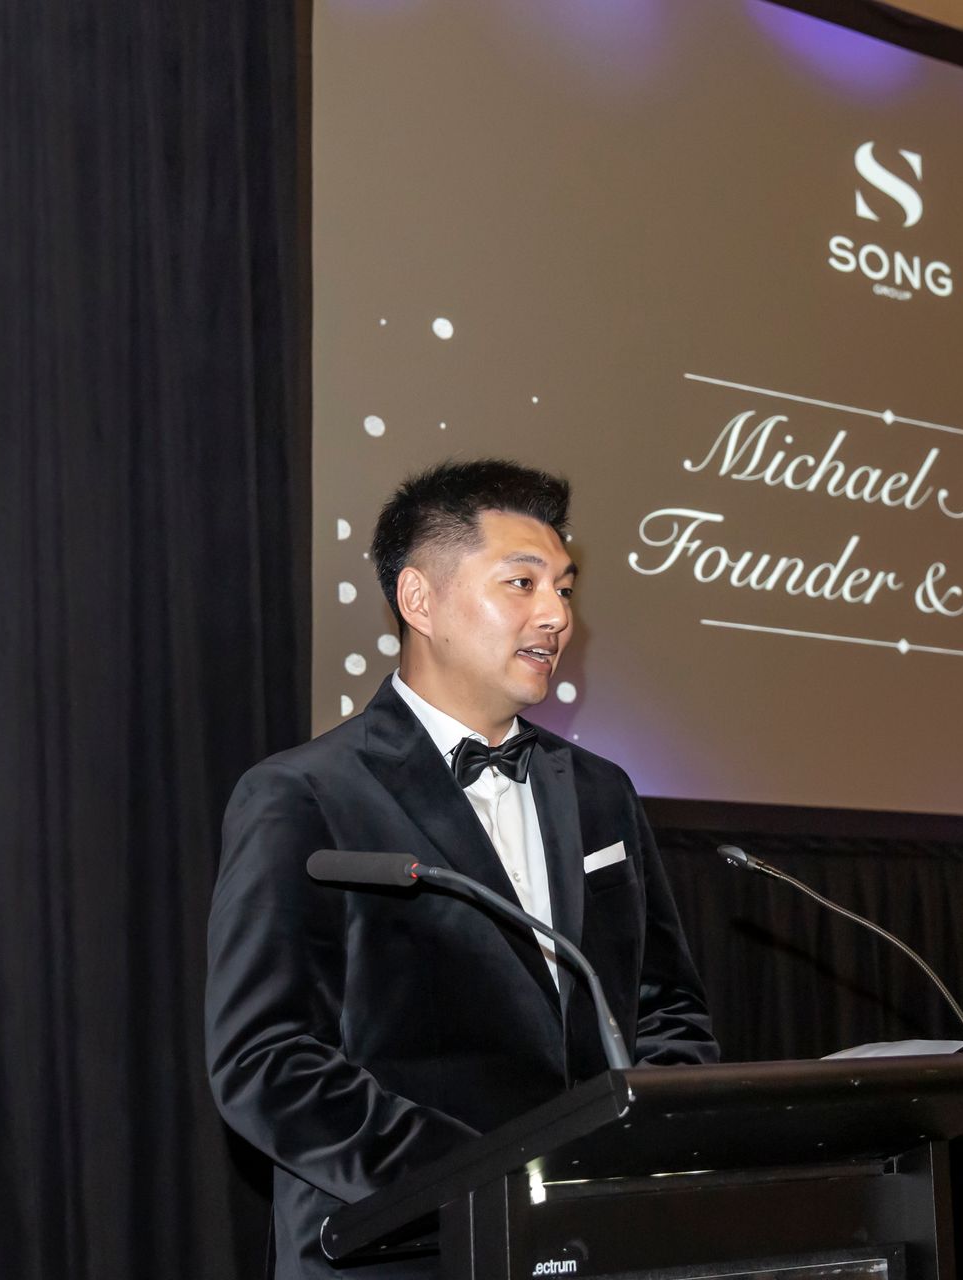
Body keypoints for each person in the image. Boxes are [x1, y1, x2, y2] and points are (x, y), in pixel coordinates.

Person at [206, 458, 719, 1278]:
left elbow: (667, 1013)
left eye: (565, 587)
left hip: (595, 1246)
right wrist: (489, 1177)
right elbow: (267, 1061)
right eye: (522, 583)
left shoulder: (600, 793)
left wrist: (635, 1153)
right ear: (419, 601)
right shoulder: (303, 795)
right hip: (402, 1252)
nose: (556, 614)